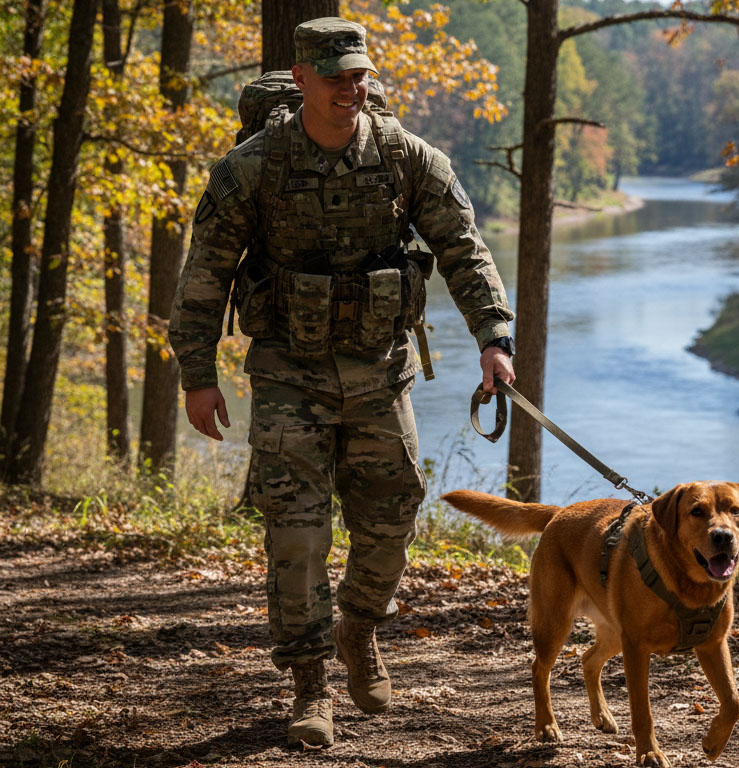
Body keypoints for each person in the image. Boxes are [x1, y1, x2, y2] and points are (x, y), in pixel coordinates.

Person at [169, 17, 515, 748]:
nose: (349, 88)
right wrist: (198, 376)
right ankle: (309, 686)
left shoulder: (404, 156)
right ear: (301, 80)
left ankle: (359, 629)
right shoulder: (252, 169)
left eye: (358, 74)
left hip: (381, 370)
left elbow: (462, 246)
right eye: (334, 76)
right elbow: (204, 275)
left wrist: (494, 338)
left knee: (392, 516)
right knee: (296, 534)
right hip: (287, 373)